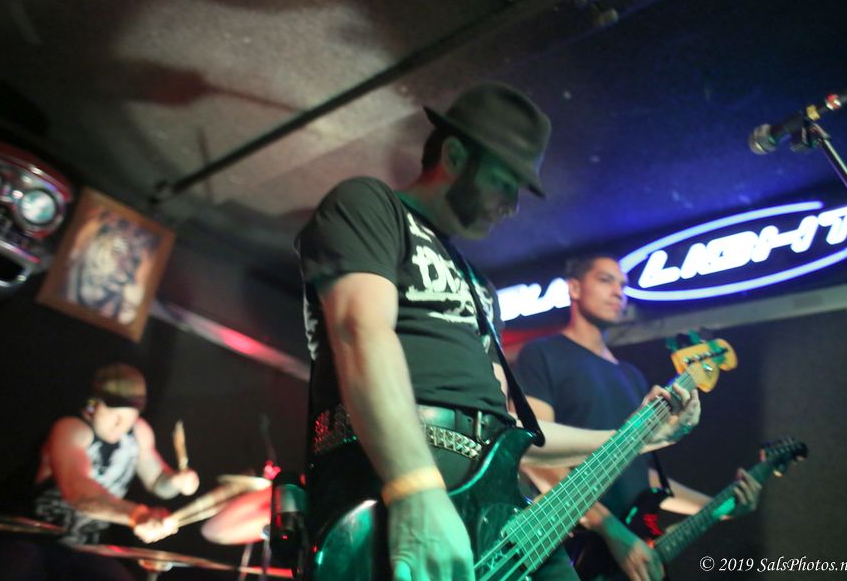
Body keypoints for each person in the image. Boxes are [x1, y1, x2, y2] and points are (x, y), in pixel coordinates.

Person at [296, 82, 701, 580]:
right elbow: (360, 331)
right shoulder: (369, 205)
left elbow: (512, 433)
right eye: (503, 182)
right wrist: (415, 488)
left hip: (499, 511)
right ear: (454, 154)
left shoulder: (480, 288)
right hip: (396, 482)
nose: (512, 204)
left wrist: (636, 436)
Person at [517, 254, 762, 581]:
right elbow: (534, 454)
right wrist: (611, 530)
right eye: (605, 280)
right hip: (575, 551)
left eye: (623, 285)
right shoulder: (542, 354)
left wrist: (719, 505)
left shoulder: (631, 376)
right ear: (574, 288)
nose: (618, 291)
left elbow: (641, 475)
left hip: (628, 556)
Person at [0, 363, 200, 580]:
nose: (120, 425)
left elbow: (157, 481)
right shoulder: (71, 429)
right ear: (92, 405)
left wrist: (175, 481)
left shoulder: (139, 431)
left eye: (129, 417)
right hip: (34, 541)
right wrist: (136, 514)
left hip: (86, 549)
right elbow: (78, 492)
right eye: (114, 415)